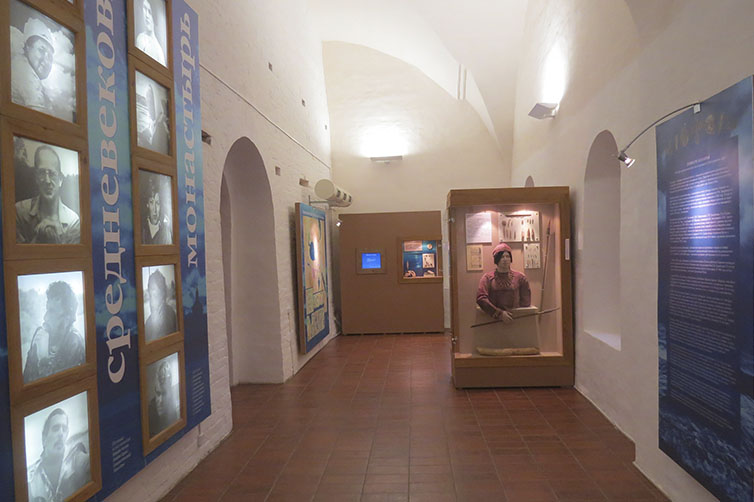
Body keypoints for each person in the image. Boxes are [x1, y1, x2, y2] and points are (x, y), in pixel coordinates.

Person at [16, 145, 80, 244]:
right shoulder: (19, 212)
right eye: (42, 173)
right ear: (36, 178)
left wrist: (58, 239)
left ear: (60, 180)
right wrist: (38, 238)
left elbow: (74, 254)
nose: (47, 180)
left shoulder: (73, 221)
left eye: (52, 174)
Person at [23, 281, 85, 383]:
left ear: (67, 318)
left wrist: (43, 358)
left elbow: (59, 387)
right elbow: (26, 381)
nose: (45, 317)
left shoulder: (74, 342)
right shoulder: (39, 335)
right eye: (47, 310)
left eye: (52, 311)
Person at [27, 408, 90, 502]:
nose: (61, 433)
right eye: (56, 429)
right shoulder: (31, 479)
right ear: (44, 438)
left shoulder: (76, 458)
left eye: (64, 429)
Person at [476, 243, 531, 324]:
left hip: (514, 320)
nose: (505, 259)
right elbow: (481, 298)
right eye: (502, 257)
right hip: (492, 322)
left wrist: (518, 316)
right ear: (497, 259)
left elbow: (526, 302)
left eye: (507, 256)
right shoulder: (487, 278)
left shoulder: (520, 278)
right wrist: (499, 314)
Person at [11, 19, 54, 114]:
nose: (46, 60)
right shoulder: (23, 70)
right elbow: (40, 117)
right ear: (27, 47)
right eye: (41, 50)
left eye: (50, 56)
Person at [145, 269, 177, 342]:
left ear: (163, 294)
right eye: (150, 295)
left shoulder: (171, 314)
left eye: (155, 295)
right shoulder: (148, 323)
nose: (151, 302)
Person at [148, 360, 179, 436]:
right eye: (161, 378)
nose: (159, 400)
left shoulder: (175, 403)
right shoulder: (151, 407)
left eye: (166, 377)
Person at [142, 176, 172, 245]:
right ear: (147, 204)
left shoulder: (166, 233)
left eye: (157, 203)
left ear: (161, 205)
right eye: (151, 202)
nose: (154, 209)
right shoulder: (142, 229)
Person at [135, 0, 166, 66]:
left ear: (154, 15)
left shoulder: (159, 51)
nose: (146, 15)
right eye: (144, 9)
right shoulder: (141, 38)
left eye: (149, 11)